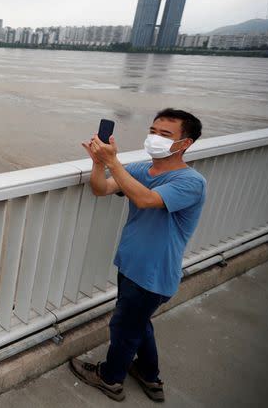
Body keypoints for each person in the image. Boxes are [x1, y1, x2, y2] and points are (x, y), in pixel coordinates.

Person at [69, 108, 206, 402]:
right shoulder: (142, 170)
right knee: (138, 323)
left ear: (186, 143)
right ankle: (148, 374)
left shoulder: (192, 183)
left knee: (124, 327)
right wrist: (98, 164)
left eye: (165, 134)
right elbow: (101, 188)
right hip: (131, 264)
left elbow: (145, 200)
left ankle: (110, 379)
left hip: (153, 273)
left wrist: (112, 161)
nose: (155, 138)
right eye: (153, 131)